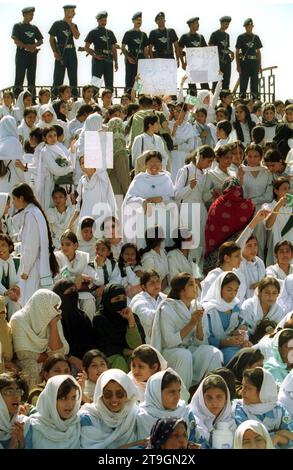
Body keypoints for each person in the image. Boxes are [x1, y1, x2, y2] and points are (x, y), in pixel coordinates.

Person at [151, 273, 222, 389]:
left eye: (195, 284)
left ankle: (210, 392)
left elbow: (201, 343)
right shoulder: (167, 308)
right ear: (182, 290)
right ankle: (182, 397)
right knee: (184, 355)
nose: (196, 287)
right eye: (191, 284)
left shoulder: (197, 306)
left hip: (189, 349)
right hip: (170, 353)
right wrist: (191, 323)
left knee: (213, 353)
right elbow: (169, 342)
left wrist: (198, 322)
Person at [10, 289, 69, 389]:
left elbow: (59, 352)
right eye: (54, 308)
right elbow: (23, 354)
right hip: (26, 363)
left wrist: (53, 324)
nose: (57, 311)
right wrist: (49, 355)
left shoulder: (53, 318)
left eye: (57, 307)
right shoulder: (19, 319)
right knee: (31, 369)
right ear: (42, 308)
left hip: (47, 361)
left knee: (60, 367)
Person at [12, 184, 58, 305]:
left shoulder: (31, 214)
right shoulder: (33, 212)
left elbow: (31, 246)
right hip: (35, 264)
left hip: (32, 268)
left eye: (14, 199)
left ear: (21, 198)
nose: (13, 203)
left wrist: (25, 270)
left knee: (27, 304)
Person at [79, 369, 139, 449]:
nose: (114, 399)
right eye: (108, 394)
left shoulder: (135, 414)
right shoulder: (88, 417)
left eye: (119, 394)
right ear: (100, 395)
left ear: (127, 395)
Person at [234, 367, 293, 447]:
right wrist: (277, 435)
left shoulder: (278, 410)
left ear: (263, 390)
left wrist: (279, 438)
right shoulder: (239, 409)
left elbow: (291, 436)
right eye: (243, 386)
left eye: (248, 388)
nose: (242, 392)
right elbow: (247, 439)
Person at [92, 283, 143, 371]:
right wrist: (126, 351)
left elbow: (136, 345)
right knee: (119, 360)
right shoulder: (100, 319)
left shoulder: (132, 316)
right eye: (117, 299)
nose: (121, 301)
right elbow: (104, 347)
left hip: (130, 356)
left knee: (136, 359)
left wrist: (130, 321)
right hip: (109, 358)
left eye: (124, 298)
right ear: (108, 300)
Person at [202, 272, 248, 365]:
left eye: (236, 290)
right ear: (219, 289)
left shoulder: (236, 306)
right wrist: (224, 342)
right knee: (235, 358)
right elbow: (205, 339)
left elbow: (243, 325)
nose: (233, 294)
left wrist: (241, 332)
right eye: (229, 290)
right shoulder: (209, 310)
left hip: (234, 346)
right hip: (215, 350)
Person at [136, 369, 193, 441]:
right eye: (172, 392)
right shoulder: (142, 416)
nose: (177, 396)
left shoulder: (184, 411)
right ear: (156, 393)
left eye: (178, 391)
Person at [26, 375, 81, 448]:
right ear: (51, 400)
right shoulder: (33, 427)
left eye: (73, 398)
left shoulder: (77, 424)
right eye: (63, 398)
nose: (70, 404)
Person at [189, 374, 236, 448]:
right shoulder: (191, 421)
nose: (214, 403)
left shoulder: (232, 423)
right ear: (201, 399)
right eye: (209, 398)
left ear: (226, 400)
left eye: (219, 397)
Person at [11, 7, 43, 100]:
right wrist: (27, 47)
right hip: (21, 54)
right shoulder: (17, 26)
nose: (31, 16)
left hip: (32, 55)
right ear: (24, 14)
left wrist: (34, 46)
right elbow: (16, 40)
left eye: (32, 15)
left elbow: (41, 40)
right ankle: (17, 99)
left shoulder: (34, 27)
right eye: (30, 14)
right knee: (19, 77)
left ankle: (32, 99)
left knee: (31, 77)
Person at [49, 5, 80, 101]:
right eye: (72, 11)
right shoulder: (57, 24)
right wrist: (54, 51)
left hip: (71, 52)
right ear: (66, 12)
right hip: (61, 51)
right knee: (58, 77)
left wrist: (70, 25)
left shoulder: (74, 25)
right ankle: (55, 99)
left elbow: (77, 36)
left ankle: (74, 99)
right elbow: (51, 38)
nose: (74, 13)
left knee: (73, 77)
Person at [84, 11, 118, 92]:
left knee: (109, 84)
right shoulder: (93, 32)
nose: (104, 22)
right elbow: (86, 47)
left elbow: (114, 48)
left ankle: (110, 103)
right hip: (98, 59)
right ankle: (94, 101)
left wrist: (116, 61)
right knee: (96, 83)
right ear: (98, 21)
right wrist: (95, 56)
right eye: (102, 20)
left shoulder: (110, 33)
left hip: (109, 59)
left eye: (105, 20)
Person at [130, 270, 166, 343]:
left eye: (158, 281)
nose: (156, 285)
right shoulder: (138, 299)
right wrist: (167, 313)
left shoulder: (164, 297)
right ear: (144, 286)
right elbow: (147, 317)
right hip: (147, 341)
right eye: (152, 283)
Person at [178, 17, 209, 96]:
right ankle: (191, 106)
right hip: (191, 65)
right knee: (192, 88)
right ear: (191, 25)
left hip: (201, 65)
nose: (198, 25)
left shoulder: (200, 37)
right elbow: (179, 50)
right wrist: (183, 63)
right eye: (196, 23)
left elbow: (205, 50)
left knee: (205, 87)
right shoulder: (185, 36)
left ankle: (206, 105)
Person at [122, 12, 149, 93]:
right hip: (131, 59)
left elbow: (145, 49)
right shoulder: (128, 33)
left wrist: (146, 61)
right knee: (130, 81)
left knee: (139, 82)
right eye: (137, 20)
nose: (139, 21)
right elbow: (123, 47)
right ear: (133, 21)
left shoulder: (143, 35)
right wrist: (128, 57)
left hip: (141, 60)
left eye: (140, 20)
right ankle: (129, 99)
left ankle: (138, 99)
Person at [0, 372, 29, 449]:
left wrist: (21, 443)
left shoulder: (25, 424)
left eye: (18, 391)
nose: (16, 396)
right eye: (9, 392)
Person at [235, 18, 263, 100]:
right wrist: (238, 65)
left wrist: (260, 65)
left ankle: (255, 102)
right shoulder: (241, 37)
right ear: (245, 27)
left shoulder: (256, 37)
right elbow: (237, 52)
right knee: (243, 83)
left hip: (254, 63)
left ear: (253, 26)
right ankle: (242, 101)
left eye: (251, 26)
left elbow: (258, 52)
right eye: (248, 26)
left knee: (254, 83)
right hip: (244, 63)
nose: (249, 28)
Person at [209, 16, 234, 91]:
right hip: (218, 61)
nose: (227, 26)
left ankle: (225, 99)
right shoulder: (215, 34)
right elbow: (211, 47)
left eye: (228, 24)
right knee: (216, 81)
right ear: (221, 23)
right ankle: (213, 100)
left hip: (227, 60)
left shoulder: (227, 35)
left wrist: (231, 52)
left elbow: (225, 48)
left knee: (226, 80)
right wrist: (215, 61)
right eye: (226, 24)